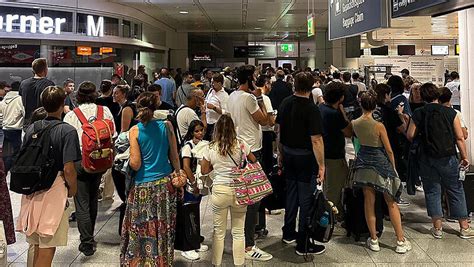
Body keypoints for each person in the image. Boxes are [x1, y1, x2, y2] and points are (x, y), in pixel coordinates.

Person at [17, 85, 81, 266]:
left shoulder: (32, 128)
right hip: (54, 192)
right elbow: (68, 169)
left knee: (36, 244)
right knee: (47, 247)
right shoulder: (67, 131)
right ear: (62, 104)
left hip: (31, 191)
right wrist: (72, 191)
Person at [121, 92, 182, 266]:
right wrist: (177, 176)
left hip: (142, 188)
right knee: (162, 228)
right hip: (164, 185)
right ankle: (162, 261)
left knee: (141, 228)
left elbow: (135, 163)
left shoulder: (135, 130)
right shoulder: (167, 125)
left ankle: (142, 262)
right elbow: (175, 157)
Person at [407, 83, 474, 239]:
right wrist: (464, 157)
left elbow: (410, 135)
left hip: (426, 157)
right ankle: (464, 227)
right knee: (455, 189)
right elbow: (459, 137)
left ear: (423, 97)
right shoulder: (450, 113)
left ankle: (437, 228)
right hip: (448, 157)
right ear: (437, 95)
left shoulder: (419, 113)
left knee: (432, 190)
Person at [352, 91, 412, 254]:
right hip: (381, 163)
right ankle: (400, 240)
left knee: (368, 202)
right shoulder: (379, 126)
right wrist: (393, 168)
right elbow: (389, 150)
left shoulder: (355, 123)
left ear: (361, 104)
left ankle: (373, 239)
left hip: (363, 163)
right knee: (391, 202)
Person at [63, 81, 116, 256]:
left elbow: (67, 141)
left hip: (80, 162)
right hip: (100, 160)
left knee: (82, 202)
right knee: (93, 198)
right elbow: (112, 135)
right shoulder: (104, 111)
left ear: (78, 96)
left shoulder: (72, 115)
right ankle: (90, 234)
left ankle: (86, 242)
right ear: (95, 94)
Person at [276, 71, 326, 255]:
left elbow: (278, 130)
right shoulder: (312, 108)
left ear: (294, 85)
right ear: (312, 86)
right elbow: (316, 140)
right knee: (306, 199)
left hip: (288, 153)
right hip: (305, 157)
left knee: (291, 194)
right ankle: (303, 243)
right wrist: (321, 165)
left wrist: (280, 153)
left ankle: (288, 232)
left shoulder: (285, 102)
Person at [227, 65, 272, 261]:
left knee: (243, 195)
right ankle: (248, 244)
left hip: (238, 148)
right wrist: (261, 97)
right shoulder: (249, 98)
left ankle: (244, 236)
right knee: (254, 197)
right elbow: (265, 121)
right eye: (254, 76)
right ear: (249, 79)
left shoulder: (232, 96)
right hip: (252, 150)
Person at [200, 114, 257, 266]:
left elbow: (204, 170)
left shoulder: (211, 147)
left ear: (217, 129)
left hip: (220, 189)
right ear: (233, 128)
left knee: (218, 231)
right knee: (239, 231)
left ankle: (216, 263)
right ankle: (239, 263)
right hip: (239, 190)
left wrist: (216, 166)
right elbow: (253, 160)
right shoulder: (241, 144)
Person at [175, 120, 208, 260]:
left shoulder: (204, 144)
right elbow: (186, 166)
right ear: (191, 132)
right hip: (190, 184)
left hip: (200, 184)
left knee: (195, 212)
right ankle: (186, 246)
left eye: (201, 130)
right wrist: (193, 183)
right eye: (196, 131)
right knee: (188, 214)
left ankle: (194, 240)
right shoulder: (187, 147)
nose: (200, 133)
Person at [319, 82, 352, 222]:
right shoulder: (334, 114)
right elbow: (349, 132)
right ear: (341, 98)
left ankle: (337, 214)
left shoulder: (320, 108)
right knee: (334, 188)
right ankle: (328, 219)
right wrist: (343, 113)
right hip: (334, 155)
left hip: (322, 153)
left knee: (329, 186)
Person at [255, 74, 276, 237]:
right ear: (265, 84)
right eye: (269, 83)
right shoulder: (264, 99)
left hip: (257, 137)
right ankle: (267, 204)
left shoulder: (249, 97)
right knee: (267, 172)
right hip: (266, 136)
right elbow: (270, 121)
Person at [19, 58, 55, 126]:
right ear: (45, 70)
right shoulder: (49, 85)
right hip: (44, 123)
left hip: (27, 124)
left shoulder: (23, 83)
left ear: (33, 70)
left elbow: (22, 103)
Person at [0, 81, 24, 172]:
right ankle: (13, 175)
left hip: (5, 130)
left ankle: (4, 174)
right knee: (16, 154)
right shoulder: (20, 99)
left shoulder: (4, 99)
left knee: (6, 155)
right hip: (16, 130)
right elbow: (24, 113)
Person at [204, 73, 229, 141]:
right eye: (211, 82)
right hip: (207, 122)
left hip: (217, 124)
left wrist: (214, 108)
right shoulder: (211, 91)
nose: (211, 84)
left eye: (213, 83)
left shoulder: (224, 96)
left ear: (220, 83)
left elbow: (226, 112)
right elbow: (206, 101)